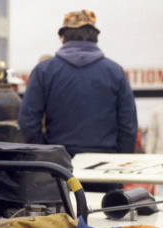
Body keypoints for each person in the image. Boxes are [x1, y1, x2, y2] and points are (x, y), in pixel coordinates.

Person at [18, 10, 137, 156]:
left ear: (63, 38)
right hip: (105, 164)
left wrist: (46, 155)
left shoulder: (43, 71)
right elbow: (128, 125)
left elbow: (28, 121)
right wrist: (120, 161)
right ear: (95, 37)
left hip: (58, 167)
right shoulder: (116, 72)